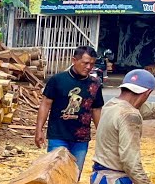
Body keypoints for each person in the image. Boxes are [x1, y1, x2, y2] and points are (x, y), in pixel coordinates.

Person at [35, 46, 104, 175]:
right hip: (58, 135)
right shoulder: (57, 80)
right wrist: (39, 130)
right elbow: (45, 105)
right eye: (85, 63)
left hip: (81, 138)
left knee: (74, 175)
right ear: (74, 60)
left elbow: (96, 110)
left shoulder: (95, 84)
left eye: (92, 64)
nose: (89, 67)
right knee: (55, 174)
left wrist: (102, 135)